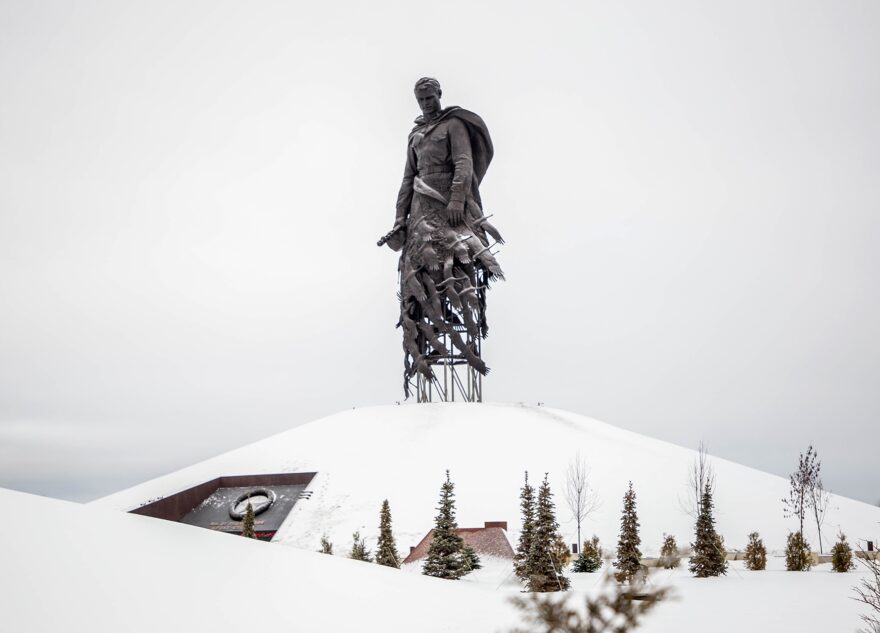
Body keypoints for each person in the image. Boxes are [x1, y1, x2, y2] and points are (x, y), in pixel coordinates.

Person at [379, 78, 504, 398]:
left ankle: (458, 323)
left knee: (456, 269)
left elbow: (464, 162)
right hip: (421, 210)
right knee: (421, 278)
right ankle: (431, 332)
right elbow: (408, 178)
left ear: (439, 95)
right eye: (421, 99)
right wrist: (399, 221)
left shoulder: (453, 125)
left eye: (430, 98)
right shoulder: (416, 135)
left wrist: (458, 201)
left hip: (450, 206)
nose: (426, 104)